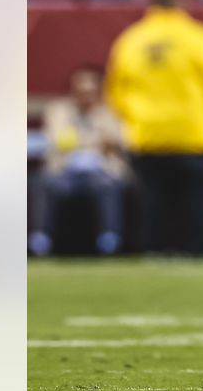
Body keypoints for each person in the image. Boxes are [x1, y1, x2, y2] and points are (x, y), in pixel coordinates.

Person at [105, 0, 203, 254]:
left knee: (153, 206)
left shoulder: (131, 40)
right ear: (182, 3)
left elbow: (115, 93)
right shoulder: (202, 39)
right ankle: (197, 255)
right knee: (196, 207)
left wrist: (135, 119)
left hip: (147, 135)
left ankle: (153, 255)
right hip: (195, 135)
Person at [29, 66, 129, 256]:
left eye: (89, 91)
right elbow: (56, 139)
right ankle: (41, 239)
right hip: (65, 170)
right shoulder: (58, 110)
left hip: (101, 171)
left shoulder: (109, 112)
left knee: (109, 186)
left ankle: (109, 239)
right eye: (80, 90)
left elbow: (118, 141)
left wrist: (86, 142)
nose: (84, 95)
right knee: (45, 183)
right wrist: (94, 143)